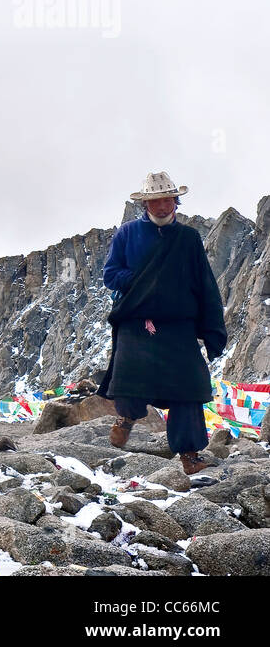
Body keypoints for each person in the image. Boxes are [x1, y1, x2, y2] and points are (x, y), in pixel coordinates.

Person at [99, 172, 225, 475]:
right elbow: (110, 273)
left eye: (167, 199)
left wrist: (212, 332)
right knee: (130, 376)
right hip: (137, 318)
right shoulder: (128, 234)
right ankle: (127, 418)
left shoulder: (188, 238)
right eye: (155, 200)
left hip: (176, 324)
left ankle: (190, 453)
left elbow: (204, 284)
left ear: (176, 201)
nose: (161, 205)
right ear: (146, 204)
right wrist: (140, 281)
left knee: (189, 386)